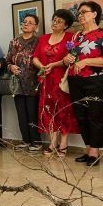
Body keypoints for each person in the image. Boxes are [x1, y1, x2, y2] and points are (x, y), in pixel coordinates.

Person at [63, 1, 103, 165]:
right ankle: (87, 149)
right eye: (79, 13)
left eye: (84, 12)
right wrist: (67, 59)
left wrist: (86, 62)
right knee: (81, 116)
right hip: (75, 79)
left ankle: (94, 151)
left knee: (95, 115)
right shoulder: (76, 36)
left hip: (96, 80)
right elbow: (71, 57)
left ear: (94, 14)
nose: (80, 15)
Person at [32, 9, 79, 156]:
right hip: (46, 80)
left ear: (66, 25)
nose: (55, 23)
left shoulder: (70, 38)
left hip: (62, 80)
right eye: (54, 20)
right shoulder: (43, 38)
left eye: (59, 21)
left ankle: (64, 143)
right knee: (48, 111)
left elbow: (72, 58)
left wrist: (54, 65)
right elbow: (35, 57)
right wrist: (41, 66)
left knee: (63, 111)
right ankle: (52, 143)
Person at [6, 14, 41, 151]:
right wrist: (11, 67)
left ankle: (36, 142)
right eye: (24, 21)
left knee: (32, 112)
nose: (26, 24)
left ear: (35, 27)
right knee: (21, 113)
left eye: (30, 22)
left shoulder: (38, 41)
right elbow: (8, 60)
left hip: (33, 83)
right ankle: (25, 140)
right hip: (17, 84)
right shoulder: (14, 42)